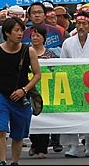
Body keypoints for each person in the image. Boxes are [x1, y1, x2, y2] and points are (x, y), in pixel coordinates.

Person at [0, 17, 41, 166]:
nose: (20, 33)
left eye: (21, 30)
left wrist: (24, 90)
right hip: (1, 96)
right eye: (16, 30)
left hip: (21, 98)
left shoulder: (29, 51)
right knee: (1, 130)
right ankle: (2, 161)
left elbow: (37, 74)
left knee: (18, 134)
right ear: (7, 33)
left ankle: (15, 161)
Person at [60, 11, 89, 158]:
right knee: (71, 116)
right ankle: (73, 146)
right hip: (72, 85)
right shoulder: (68, 43)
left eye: (84, 24)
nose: (81, 27)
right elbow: (62, 64)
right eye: (78, 24)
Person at [27, 25, 58, 159]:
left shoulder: (50, 54)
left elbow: (56, 70)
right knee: (31, 117)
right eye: (33, 35)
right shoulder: (26, 52)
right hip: (30, 90)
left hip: (46, 90)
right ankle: (35, 144)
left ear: (44, 38)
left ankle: (42, 149)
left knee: (44, 117)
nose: (35, 38)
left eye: (38, 35)